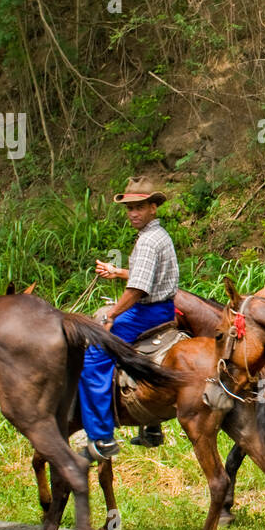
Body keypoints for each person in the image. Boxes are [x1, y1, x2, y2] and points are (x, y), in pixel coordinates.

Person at [78, 177, 178, 462]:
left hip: (146, 312)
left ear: (153, 208)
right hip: (165, 309)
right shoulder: (159, 236)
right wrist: (117, 271)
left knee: (94, 357)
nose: (133, 213)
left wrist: (112, 314)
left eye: (140, 207)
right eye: (129, 208)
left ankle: (100, 436)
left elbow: (138, 289)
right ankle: (151, 424)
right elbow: (145, 276)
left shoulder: (147, 241)